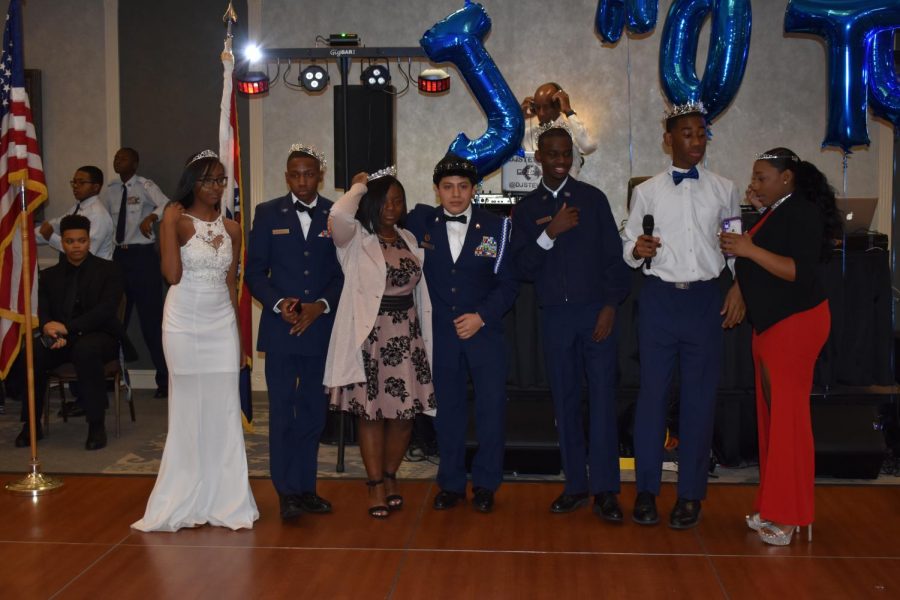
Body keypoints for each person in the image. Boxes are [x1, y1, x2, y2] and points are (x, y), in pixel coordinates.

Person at [622, 102, 743, 529]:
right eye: (687, 133)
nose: (696, 141)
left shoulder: (725, 189)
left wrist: (738, 285)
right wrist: (638, 249)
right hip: (659, 300)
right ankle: (646, 492)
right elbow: (629, 243)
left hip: (706, 301)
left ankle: (690, 494)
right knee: (652, 398)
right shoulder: (647, 191)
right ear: (668, 140)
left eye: (701, 133)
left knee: (699, 400)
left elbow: (735, 245)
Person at [132, 149, 258, 532]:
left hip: (220, 321)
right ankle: (184, 496)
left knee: (222, 407)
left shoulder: (233, 228)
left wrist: (237, 342)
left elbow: (231, 285)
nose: (217, 187)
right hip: (183, 319)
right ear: (192, 183)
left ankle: (226, 498)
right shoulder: (177, 219)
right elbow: (171, 274)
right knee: (187, 409)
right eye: (209, 180)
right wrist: (168, 224)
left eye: (221, 180)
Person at [510, 123, 630, 520]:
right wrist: (551, 234)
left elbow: (615, 260)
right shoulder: (527, 210)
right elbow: (523, 267)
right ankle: (576, 485)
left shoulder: (593, 200)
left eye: (566, 154)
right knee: (565, 401)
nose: (561, 160)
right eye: (553, 154)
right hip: (556, 318)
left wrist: (611, 306)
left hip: (595, 314)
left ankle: (607, 490)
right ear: (539, 158)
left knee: (601, 401)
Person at [720, 148, 840, 546]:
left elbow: (798, 272)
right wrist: (758, 223)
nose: (754, 185)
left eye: (761, 178)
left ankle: (789, 516)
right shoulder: (782, 208)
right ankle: (777, 506)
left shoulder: (801, 210)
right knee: (774, 421)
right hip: (774, 325)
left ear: (786, 177)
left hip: (795, 325)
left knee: (788, 422)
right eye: (753, 179)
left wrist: (748, 247)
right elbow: (764, 260)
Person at [405, 154, 518, 513]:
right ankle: (450, 483)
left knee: (490, 410)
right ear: (437, 190)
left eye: (463, 187)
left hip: (485, 334)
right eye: (448, 187)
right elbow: (377, 214)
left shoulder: (498, 227)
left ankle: (486, 484)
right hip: (442, 336)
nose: (456, 194)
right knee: (448, 412)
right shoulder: (422, 224)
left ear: (474, 189)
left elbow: (509, 284)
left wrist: (482, 316)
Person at [325, 170, 435, 519]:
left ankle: (390, 477)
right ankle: (374, 485)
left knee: (404, 415)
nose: (392, 207)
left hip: (407, 335)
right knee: (371, 414)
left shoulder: (408, 237)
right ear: (372, 203)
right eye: (385, 200)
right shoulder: (355, 238)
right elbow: (339, 215)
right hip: (371, 336)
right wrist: (358, 185)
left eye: (398, 200)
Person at [245, 144, 343, 521]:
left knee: (314, 414)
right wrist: (277, 304)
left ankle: (307, 489)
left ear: (319, 175)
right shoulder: (268, 213)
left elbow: (341, 273)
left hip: (319, 329)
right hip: (281, 330)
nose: (303, 180)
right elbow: (255, 272)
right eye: (295, 174)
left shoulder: (336, 214)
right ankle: (286, 492)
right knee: (284, 413)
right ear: (286, 177)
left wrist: (321, 306)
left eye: (309, 173)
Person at [15, 214, 126, 450]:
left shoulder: (109, 270)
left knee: (86, 350)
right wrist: (49, 329)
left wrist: (68, 328)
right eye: (70, 241)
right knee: (33, 351)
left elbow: (105, 311)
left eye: (81, 240)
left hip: (99, 335)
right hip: (60, 339)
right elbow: (43, 310)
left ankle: (96, 424)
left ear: (89, 241)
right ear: (62, 243)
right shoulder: (49, 275)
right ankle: (31, 424)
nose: (76, 246)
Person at [102, 147, 170, 399]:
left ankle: (164, 380)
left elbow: (167, 204)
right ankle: (112, 377)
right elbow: (106, 225)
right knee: (114, 321)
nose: (117, 159)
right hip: (119, 258)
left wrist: (151, 216)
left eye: (123, 157)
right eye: (116, 156)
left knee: (151, 322)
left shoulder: (144, 185)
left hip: (142, 259)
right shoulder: (110, 190)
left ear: (135, 162)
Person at [37, 166, 115, 260]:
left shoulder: (98, 215)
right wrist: (24, 236)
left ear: (95, 187)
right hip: (78, 269)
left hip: (94, 272)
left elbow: (85, 251)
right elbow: (56, 225)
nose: (75, 186)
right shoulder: (77, 207)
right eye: (74, 182)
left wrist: (51, 237)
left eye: (81, 182)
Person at [521, 82, 597, 178]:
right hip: (536, 191)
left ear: (558, 105)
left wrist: (568, 111)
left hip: (568, 191)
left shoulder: (573, 129)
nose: (541, 113)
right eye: (537, 108)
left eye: (546, 107)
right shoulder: (528, 134)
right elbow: (505, 150)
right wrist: (519, 118)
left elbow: (588, 146)